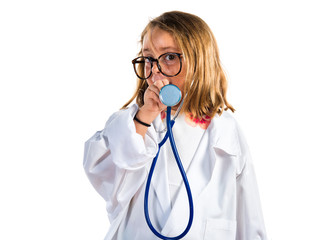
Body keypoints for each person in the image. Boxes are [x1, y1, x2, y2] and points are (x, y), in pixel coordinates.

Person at [83, 11, 267, 240]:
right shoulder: (131, 123)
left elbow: (249, 216)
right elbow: (103, 172)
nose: (155, 70)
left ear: (200, 63)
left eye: (169, 57)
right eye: (149, 59)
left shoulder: (225, 130)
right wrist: (145, 115)